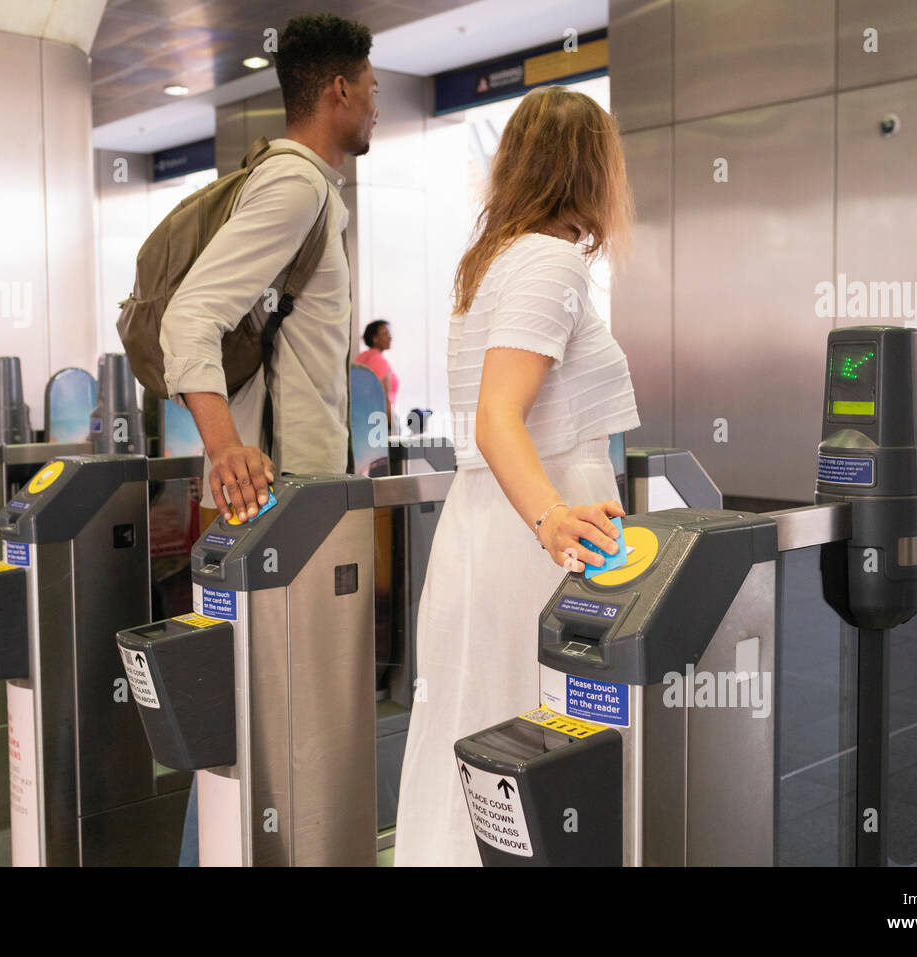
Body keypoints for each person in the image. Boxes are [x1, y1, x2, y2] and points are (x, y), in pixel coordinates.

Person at [393, 86, 640, 866]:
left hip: (489, 528)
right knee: (540, 746)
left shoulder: (496, 259)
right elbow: (499, 416)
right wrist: (552, 520)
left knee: (479, 743)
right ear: (592, 168)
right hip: (533, 538)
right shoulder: (549, 260)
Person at [156, 12, 377, 866]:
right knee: (258, 719)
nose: (376, 106)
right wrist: (225, 448)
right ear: (337, 92)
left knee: (257, 722)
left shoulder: (301, 188)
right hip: (277, 500)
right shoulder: (294, 188)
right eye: (371, 90)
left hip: (293, 497)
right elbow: (188, 319)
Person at [355, 319, 400, 407]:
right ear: (374, 338)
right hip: (377, 416)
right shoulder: (379, 361)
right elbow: (382, 399)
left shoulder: (361, 358)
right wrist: (389, 420)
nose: (390, 338)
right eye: (385, 334)